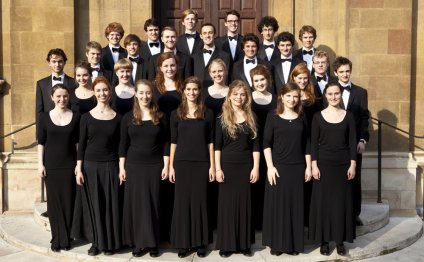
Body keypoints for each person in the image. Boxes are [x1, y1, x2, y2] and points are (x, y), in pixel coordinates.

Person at [119, 80, 170, 258]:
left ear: (152, 95)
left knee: (154, 203)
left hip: (155, 166)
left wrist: (166, 165)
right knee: (137, 205)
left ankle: (153, 242)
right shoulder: (127, 117)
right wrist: (121, 168)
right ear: (136, 94)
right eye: (141, 93)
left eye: (148, 93)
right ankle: (139, 243)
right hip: (133, 167)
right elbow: (123, 145)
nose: (145, 96)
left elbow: (166, 143)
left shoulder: (161, 116)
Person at [262, 82, 311, 256]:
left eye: (295, 96)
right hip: (278, 168)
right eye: (288, 96)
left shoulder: (302, 116)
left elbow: (307, 143)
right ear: (282, 97)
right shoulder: (272, 116)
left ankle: (293, 245)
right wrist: (269, 167)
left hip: (297, 167)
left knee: (294, 206)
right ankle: (277, 244)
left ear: (299, 98)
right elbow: (266, 143)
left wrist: (308, 167)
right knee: (278, 206)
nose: (292, 99)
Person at [309, 80, 357, 256]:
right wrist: (314, 165)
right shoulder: (317, 116)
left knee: (340, 203)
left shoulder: (349, 116)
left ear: (340, 94)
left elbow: (352, 142)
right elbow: (313, 143)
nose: (334, 97)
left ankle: (339, 241)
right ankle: (324, 241)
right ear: (326, 96)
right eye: (330, 94)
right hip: (323, 165)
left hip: (343, 165)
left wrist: (353, 164)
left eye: (337, 93)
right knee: (324, 204)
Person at [169, 76, 215, 258]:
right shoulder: (176, 113)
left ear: (199, 91)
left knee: (201, 202)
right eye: (188, 89)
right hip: (181, 163)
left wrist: (212, 166)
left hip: (202, 163)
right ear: (184, 91)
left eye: (195, 89)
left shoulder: (207, 113)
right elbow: (173, 141)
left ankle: (201, 242)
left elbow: (211, 142)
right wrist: (171, 166)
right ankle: (183, 242)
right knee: (182, 203)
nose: (192, 92)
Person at [75, 76, 122, 256]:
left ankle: (109, 243)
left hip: (110, 165)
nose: (102, 93)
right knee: (94, 205)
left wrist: (121, 168)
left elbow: (120, 146)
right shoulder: (86, 117)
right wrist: (79, 168)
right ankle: (95, 242)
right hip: (90, 166)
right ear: (94, 93)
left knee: (110, 205)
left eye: (105, 90)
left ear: (110, 92)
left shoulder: (118, 118)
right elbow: (81, 145)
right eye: (99, 90)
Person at [215, 80, 260, 258]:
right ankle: (227, 245)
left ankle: (244, 244)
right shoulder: (222, 118)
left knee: (244, 204)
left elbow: (256, 145)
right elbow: (217, 146)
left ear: (246, 96)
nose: (239, 97)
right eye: (236, 94)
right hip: (226, 165)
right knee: (227, 205)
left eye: (242, 94)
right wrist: (217, 169)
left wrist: (256, 167)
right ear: (230, 96)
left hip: (245, 165)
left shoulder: (251, 117)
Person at [37, 84, 80, 252]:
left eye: (65, 96)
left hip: (69, 165)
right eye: (59, 96)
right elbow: (41, 143)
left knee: (69, 202)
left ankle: (67, 236)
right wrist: (40, 164)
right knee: (54, 205)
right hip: (51, 166)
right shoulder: (44, 117)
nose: (62, 99)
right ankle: (56, 238)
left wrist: (78, 164)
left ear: (69, 97)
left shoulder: (76, 117)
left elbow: (78, 143)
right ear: (52, 98)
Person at [333, 56, 370, 226]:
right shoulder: (330, 90)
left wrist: (362, 139)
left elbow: (364, 118)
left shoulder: (361, 92)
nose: (345, 74)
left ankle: (355, 214)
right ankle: (336, 212)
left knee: (355, 178)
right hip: (334, 144)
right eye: (341, 72)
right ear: (335, 73)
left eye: (347, 71)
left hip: (355, 143)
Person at [153, 52, 182, 241]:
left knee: (176, 187)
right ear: (160, 68)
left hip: (180, 140)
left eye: (172, 65)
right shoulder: (154, 88)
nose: (170, 69)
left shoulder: (183, 87)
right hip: (159, 140)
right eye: (166, 66)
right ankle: (161, 230)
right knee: (160, 187)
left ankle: (176, 229)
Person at [288, 63, 321, 227]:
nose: (302, 81)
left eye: (305, 78)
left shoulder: (313, 98)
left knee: (308, 181)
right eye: (299, 78)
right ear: (293, 77)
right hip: (294, 143)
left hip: (310, 141)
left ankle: (308, 218)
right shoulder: (289, 97)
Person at [249, 64, 277, 230]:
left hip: (271, 146)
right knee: (254, 182)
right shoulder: (247, 98)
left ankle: (266, 220)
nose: (260, 83)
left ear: (268, 80)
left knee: (269, 182)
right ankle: (254, 220)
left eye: (262, 79)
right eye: (256, 80)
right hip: (252, 145)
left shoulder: (276, 99)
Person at [36, 48, 75, 137]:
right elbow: (39, 111)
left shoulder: (73, 82)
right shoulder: (41, 84)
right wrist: (39, 135)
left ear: (64, 62)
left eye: (60, 61)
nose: (57, 64)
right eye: (54, 61)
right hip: (48, 129)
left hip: (68, 128)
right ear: (49, 63)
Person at [193, 23, 231, 88]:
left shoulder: (225, 56)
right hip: (198, 94)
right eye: (204, 33)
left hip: (218, 93)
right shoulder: (194, 57)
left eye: (210, 33)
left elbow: (226, 78)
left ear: (214, 35)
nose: (207, 35)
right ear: (201, 36)